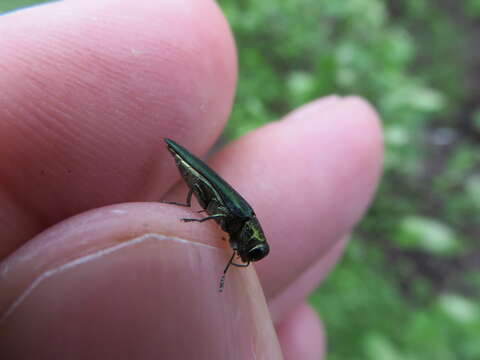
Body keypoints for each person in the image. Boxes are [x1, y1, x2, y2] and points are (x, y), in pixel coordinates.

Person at [0, 0, 382, 358]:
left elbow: (225, 238)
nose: (244, 254)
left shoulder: (241, 229)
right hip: (201, 180)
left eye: (247, 252)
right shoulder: (240, 220)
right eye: (249, 249)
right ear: (251, 238)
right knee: (199, 213)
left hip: (204, 192)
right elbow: (217, 219)